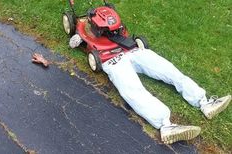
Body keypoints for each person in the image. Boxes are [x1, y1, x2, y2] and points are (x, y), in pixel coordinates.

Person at [69, 34, 231, 145]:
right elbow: (73, 42)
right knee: (132, 89)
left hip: (130, 49)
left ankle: (204, 101)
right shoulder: (82, 30)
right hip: (111, 60)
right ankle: (166, 126)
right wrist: (79, 38)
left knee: (168, 70)